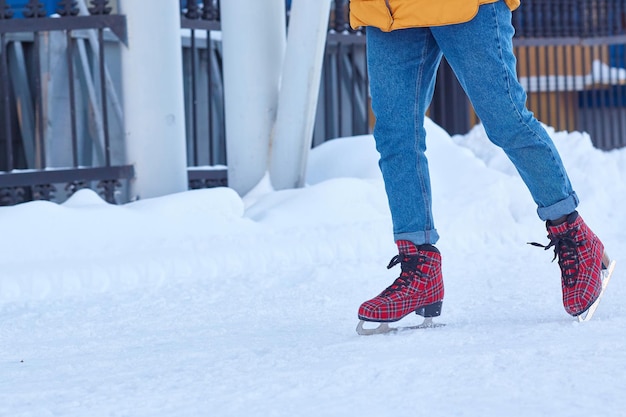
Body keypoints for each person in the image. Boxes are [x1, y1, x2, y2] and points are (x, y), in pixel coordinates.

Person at [349, 0, 614, 334]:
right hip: (388, 9)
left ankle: (573, 234)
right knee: (394, 135)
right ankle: (420, 268)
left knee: (506, 119)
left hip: (465, 6)